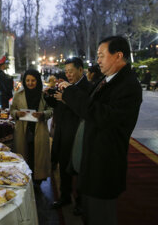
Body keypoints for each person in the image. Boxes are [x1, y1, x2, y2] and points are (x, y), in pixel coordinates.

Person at [57, 36, 142, 225]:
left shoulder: (128, 86)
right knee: (90, 214)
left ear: (118, 56)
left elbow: (103, 116)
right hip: (92, 163)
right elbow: (89, 104)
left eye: (101, 55)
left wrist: (70, 94)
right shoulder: (106, 80)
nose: (98, 61)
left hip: (104, 166)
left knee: (101, 217)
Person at [47, 58, 92, 215]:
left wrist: (66, 99)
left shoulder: (88, 87)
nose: (68, 75)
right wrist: (50, 97)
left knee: (79, 169)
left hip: (78, 134)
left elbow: (85, 109)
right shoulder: (65, 85)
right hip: (62, 131)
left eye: (71, 71)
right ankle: (64, 196)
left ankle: (80, 202)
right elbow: (59, 106)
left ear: (81, 70)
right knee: (63, 165)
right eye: (66, 72)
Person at [10, 69, 53, 186]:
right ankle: (24, 181)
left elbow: (51, 109)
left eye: (33, 80)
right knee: (24, 154)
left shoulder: (43, 95)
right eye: (28, 80)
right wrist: (17, 114)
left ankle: (37, 182)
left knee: (37, 157)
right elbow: (12, 109)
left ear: (37, 81)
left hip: (39, 129)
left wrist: (43, 114)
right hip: (23, 130)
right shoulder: (18, 95)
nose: (30, 83)